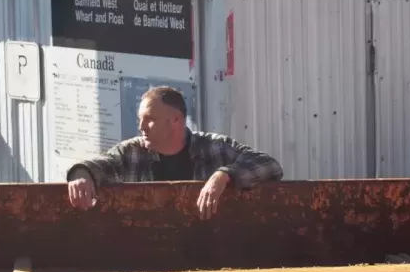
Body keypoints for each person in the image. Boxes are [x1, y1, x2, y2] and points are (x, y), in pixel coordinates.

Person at [66, 86, 283, 217]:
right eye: (140, 119)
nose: (141, 127)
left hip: (208, 257)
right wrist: (81, 175)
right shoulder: (131, 152)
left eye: (150, 120)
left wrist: (223, 175)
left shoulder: (214, 147)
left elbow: (269, 165)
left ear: (176, 121)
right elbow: (100, 165)